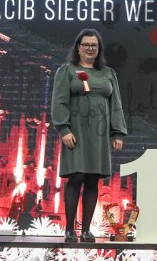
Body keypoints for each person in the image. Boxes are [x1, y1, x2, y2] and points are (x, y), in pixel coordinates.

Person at [51, 28, 127, 243]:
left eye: (94, 45)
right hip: (75, 132)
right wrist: (64, 129)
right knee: (76, 177)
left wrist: (118, 133)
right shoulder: (67, 71)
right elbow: (59, 101)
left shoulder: (108, 73)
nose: (90, 48)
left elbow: (116, 104)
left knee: (93, 180)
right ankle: (69, 229)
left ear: (99, 48)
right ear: (78, 47)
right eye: (86, 45)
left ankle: (86, 230)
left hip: (99, 134)